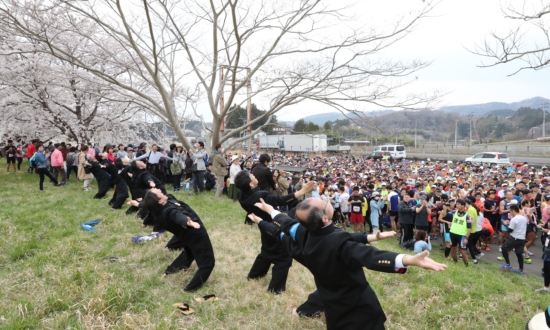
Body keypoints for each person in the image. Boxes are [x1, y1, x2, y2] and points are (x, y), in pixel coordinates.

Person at [247, 197, 446, 330]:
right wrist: (410, 259)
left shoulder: (302, 237)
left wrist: (266, 214)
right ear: (325, 218)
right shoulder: (338, 243)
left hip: (333, 306)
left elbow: (283, 225)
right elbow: (370, 257)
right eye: (325, 204)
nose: (328, 202)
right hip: (359, 308)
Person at [234, 170, 314, 293]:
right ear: (251, 184)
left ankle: (256, 275)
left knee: (266, 250)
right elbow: (281, 200)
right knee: (283, 257)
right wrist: (302, 192)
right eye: (252, 176)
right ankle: (275, 289)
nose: (254, 175)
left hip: (262, 225)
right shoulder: (261, 196)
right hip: (274, 225)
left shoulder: (241, 194)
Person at [138, 188, 215, 292]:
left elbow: (148, 204)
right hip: (196, 234)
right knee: (207, 263)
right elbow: (178, 216)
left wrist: (137, 203)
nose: (160, 190)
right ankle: (190, 289)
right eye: (159, 192)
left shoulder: (157, 209)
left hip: (185, 236)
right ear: (160, 201)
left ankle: (168, 272)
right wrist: (189, 222)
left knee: (189, 253)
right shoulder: (168, 211)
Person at [500, 203, 528, 275]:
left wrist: (506, 224)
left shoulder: (514, 219)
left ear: (513, 210)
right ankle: (521, 269)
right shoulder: (524, 218)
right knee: (519, 254)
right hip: (522, 239)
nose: (510, 212)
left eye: (510, 211)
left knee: (504, 248)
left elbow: (510, 230)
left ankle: (508, 264)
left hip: (514, 238)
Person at [448, 199, 472, 266]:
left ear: (463, 206)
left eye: (459, 204)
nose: (457, 205)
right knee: (453, 249)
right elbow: (445, 213)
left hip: (462, 235)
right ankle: (455, 262)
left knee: (463, 251)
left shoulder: (468, 215)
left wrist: (466, 238)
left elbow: (469, 228)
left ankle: (466, 265)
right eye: (457, 204)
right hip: (453, 233)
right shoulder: (454, 212)